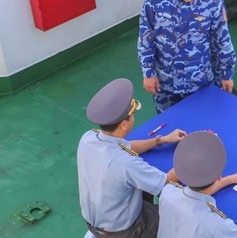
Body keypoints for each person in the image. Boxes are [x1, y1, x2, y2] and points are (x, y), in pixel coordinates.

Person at [77, 78, 186, 237]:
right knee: (181, 220)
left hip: (98, 220)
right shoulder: (126, 163)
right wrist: (190, 159)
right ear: (124, 124)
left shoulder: (88, 138)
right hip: (125, 229)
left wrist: (161, 140)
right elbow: (165, 181)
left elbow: (126, 147)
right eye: (133, 115)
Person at [138, 0, 236, 112]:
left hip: (198, 81)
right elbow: (146, 37)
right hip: (165, 82)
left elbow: (222, 41)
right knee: (168, 121)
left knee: (201, 119)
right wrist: (148, 72)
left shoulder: (212, 2)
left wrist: (226, 74)